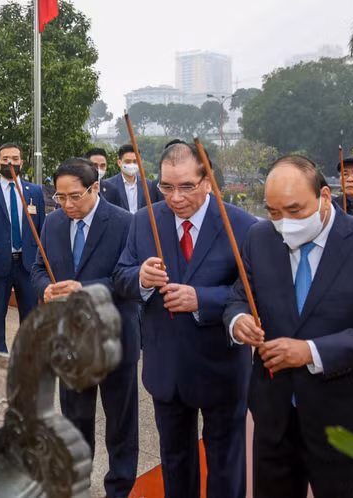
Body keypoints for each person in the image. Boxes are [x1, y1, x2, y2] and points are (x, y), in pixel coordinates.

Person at [224, 155, 353, 498]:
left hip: (347, 421)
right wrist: (238, 320)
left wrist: (310, 351)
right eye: (274, 212)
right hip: (275, 418)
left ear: (324, 196)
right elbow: (239, 296)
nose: (285, 223)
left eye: (295, 210)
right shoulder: (259, 237)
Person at [114, 143, 257, 498]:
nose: (175, 198)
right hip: (166, 365)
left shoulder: (242, 225)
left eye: (186, 187)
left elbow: (255, 292)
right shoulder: (145, 220)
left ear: (207, 181)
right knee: (175, 462)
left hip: (221, 366)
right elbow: (121, 275)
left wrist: (202, 299)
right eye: (166, 186)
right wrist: (141, 278)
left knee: (225, 465)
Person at [31, 158, 139, 498]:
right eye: (60, 197)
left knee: (120, 423)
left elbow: (128, 279)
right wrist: (45, 289)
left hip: (113, 337)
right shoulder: (53, 223)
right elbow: (37, 268)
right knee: (75, 421)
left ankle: (119, 489)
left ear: (95, 188)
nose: (67, 204)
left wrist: (84, 289)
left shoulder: (124, 223)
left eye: (74, 196)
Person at [0, 143, 45, 353]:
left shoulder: (35, 192)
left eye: (14, 159)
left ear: (22, 162)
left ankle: (27, 356)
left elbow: (42, 229)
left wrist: (43, 263)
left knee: (30, 316)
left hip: (28, 264)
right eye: (5, 159)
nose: (10, 163)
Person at [103, 144, 162, 213]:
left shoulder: (149, 185)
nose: (132, 164)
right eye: (127, 162)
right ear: (119, 163)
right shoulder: (109, 185)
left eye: (135, 161)